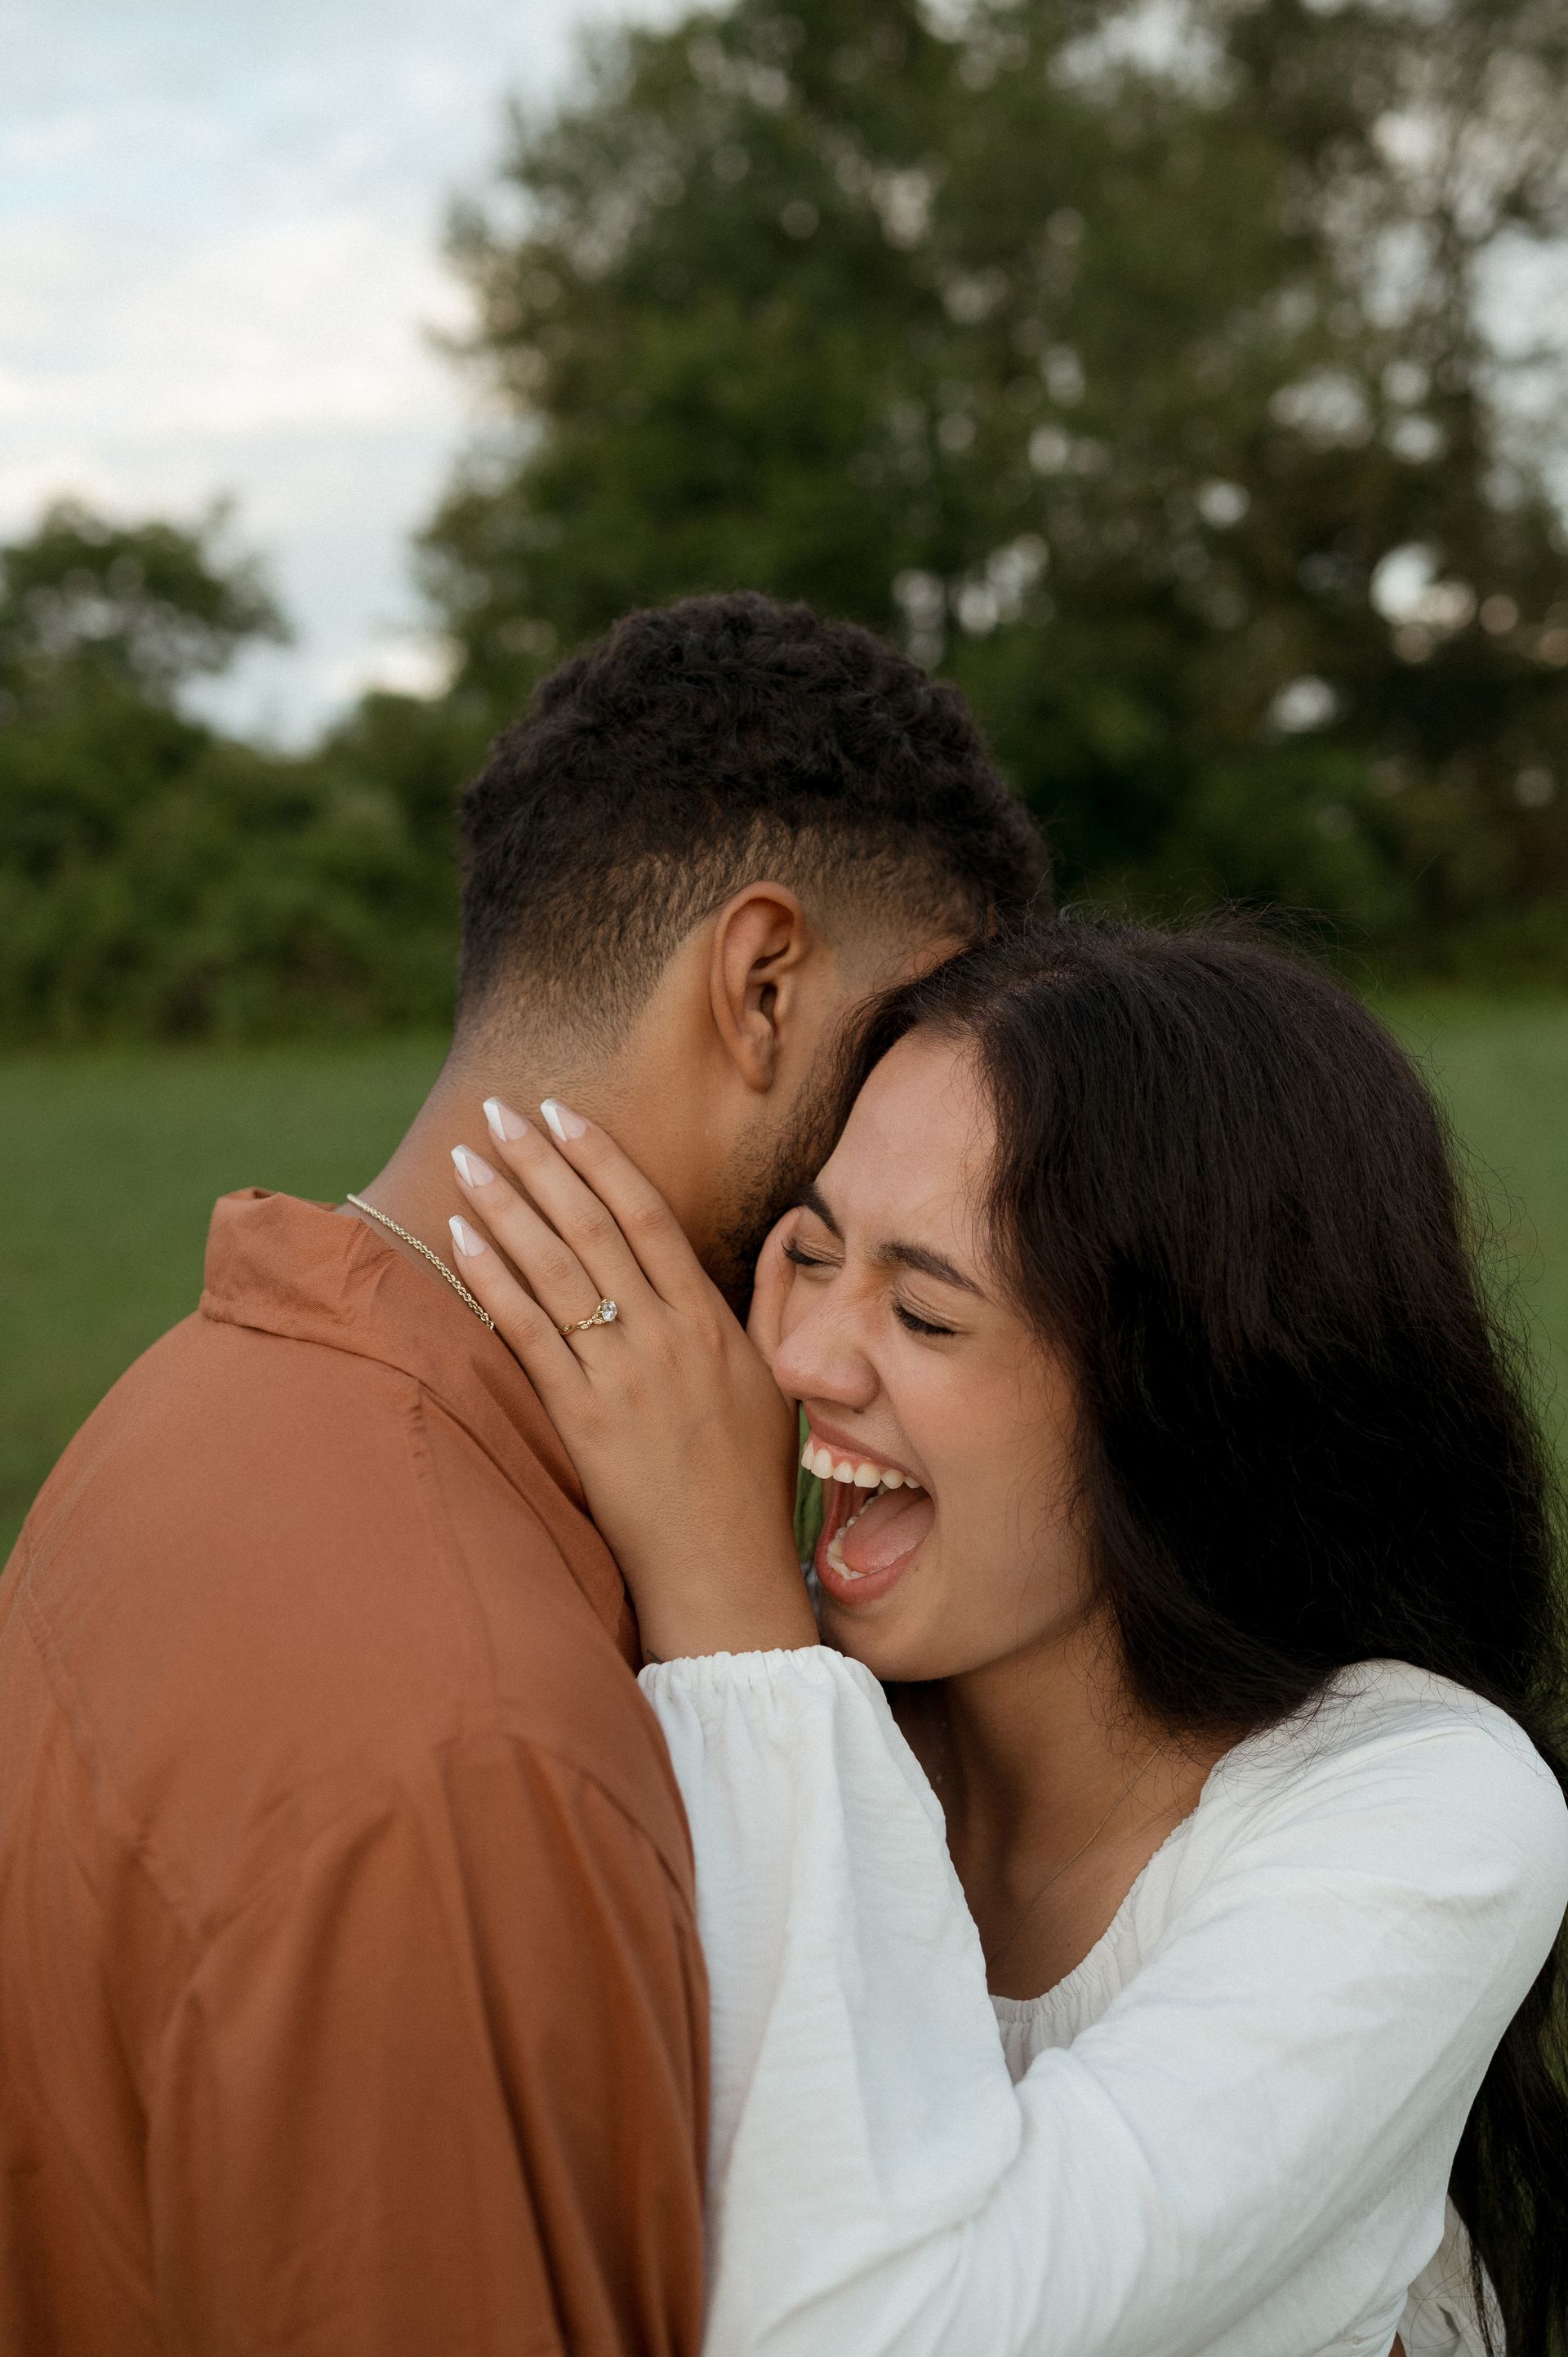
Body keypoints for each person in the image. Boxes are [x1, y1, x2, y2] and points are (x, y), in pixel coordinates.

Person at [0, 591, 1046, 2357]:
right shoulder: (469, 1744)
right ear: (763, 983)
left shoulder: (182, 1413)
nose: (936, 1133)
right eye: (907, 1043)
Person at [443, 918, 1568, 2357]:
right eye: (811, 1248)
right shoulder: (766, 1722)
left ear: (1183, 1405)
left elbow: (872, 2330)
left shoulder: (1426, 1810)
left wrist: (734, 1615)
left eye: (922, 1308)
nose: (796, 1360)